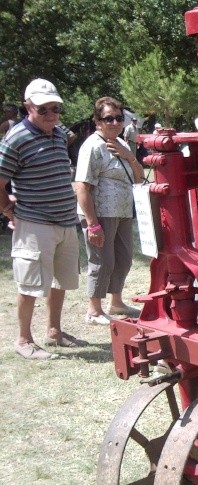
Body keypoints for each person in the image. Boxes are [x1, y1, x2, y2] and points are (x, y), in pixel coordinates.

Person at [0, 78, 87, 359]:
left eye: (56, 108)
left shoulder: (59, 133)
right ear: (28, 107)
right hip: (35, 223)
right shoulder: (16, 138)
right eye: (44, 109)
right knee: (29, 284)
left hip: (65, 221)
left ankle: (54, 331)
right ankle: (24, 340)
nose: (51, 115)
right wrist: (6, 209)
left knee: (60, 281)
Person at [74, 96, 145, 325]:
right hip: (101, 213)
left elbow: (139, 178)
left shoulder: (122, 144)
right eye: (108, 118)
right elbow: (82, 187)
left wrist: (130, 157)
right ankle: (94, 310)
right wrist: (92, 223)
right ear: (97, 121)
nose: (114, 122)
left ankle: (116, 302)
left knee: (123, 260)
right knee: (102, 261)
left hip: (123, 212)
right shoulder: (92, 146)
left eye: (118, 118)